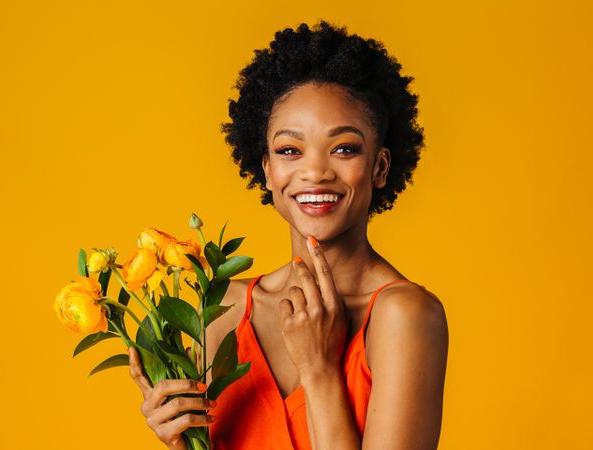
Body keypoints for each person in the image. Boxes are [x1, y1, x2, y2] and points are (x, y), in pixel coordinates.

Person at [127, 20, 448, 450]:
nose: (314, 171)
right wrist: (179, 439)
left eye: (344, 148)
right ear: (268, 171)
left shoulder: (405, 317)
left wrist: (318, 371)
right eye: (289, 150)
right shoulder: (220, 310)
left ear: (380, 167)